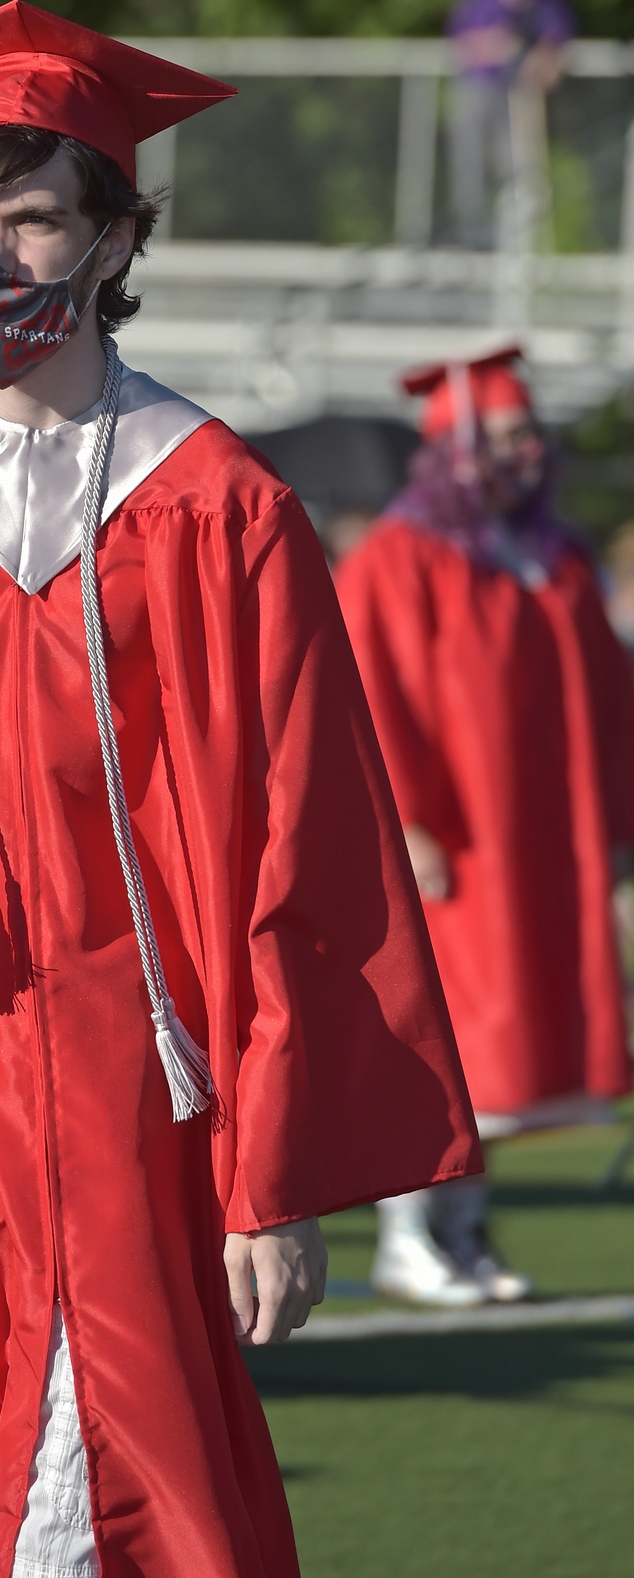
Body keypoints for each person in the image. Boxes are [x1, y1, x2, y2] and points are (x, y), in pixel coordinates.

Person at [0, 2, 480, 1578]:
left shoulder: (220, 511)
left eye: (36, 219)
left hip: (130, 1085)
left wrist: (273, 1169)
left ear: (116, 233)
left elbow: (296, 858)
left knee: (120, 1491)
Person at [337, 347, 634, 1307]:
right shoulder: (401, 555)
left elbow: (609, 696)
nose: (522, 454)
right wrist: (405, 822)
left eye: (528, 436)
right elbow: (368, 692)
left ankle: (464, 1231)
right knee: (449, 1039)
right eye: (500, 438)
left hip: (548, 843)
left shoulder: (550, 556)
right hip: (455, 846)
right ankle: (406, 1231)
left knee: (511, 1058)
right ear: (452, 449)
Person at [447, 0, 574, 249]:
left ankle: (524, 243)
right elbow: (464, 44)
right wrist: (500, 47)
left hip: (520, 97)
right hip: (480, 92)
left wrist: (541, 58)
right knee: (471, 169)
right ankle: (470, 240)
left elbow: (556, 40)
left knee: (520, 170)